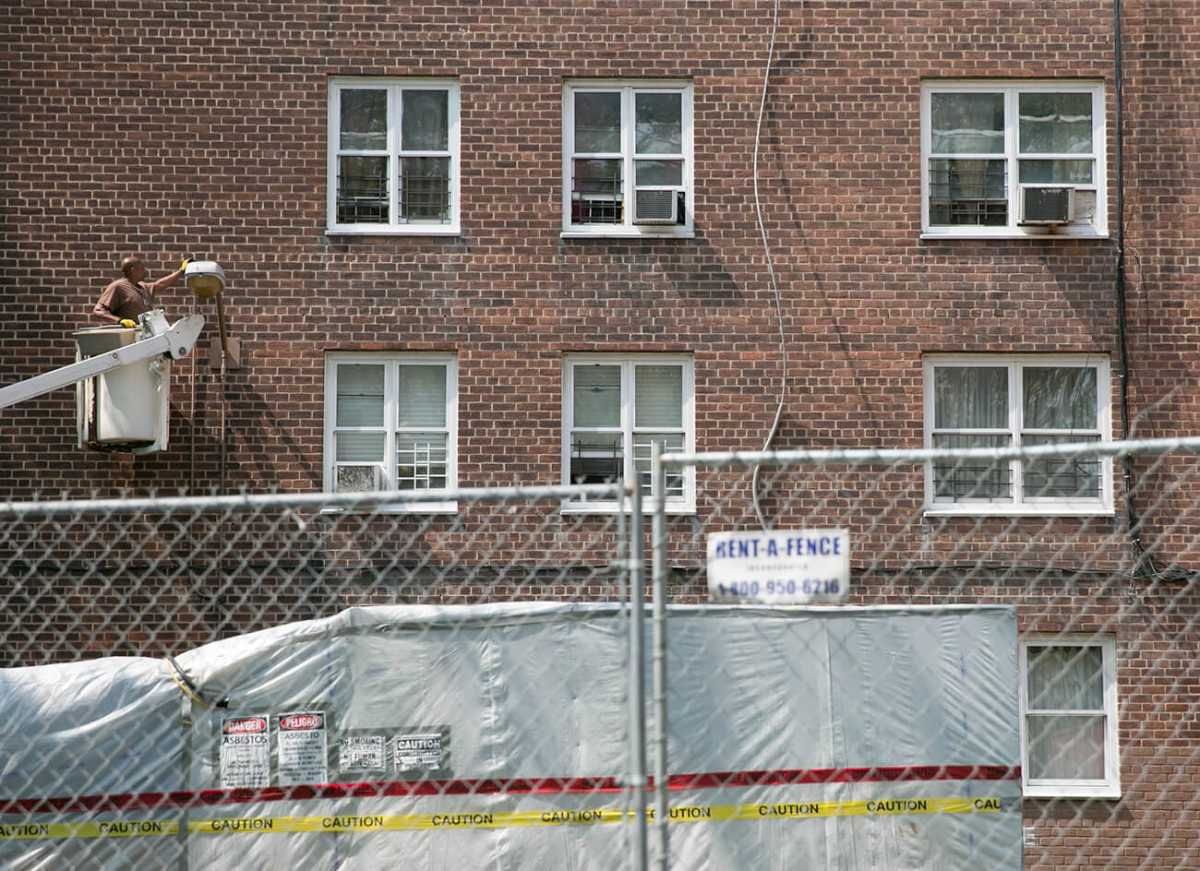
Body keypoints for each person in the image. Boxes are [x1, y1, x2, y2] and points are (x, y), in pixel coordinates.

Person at [93, 255, 190, 327]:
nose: (144, 271)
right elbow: (98, 310)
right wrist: (119, 320)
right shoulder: (118, 287)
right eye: (141, 268)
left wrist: (181, 271)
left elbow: (160, 284)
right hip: (127, 337)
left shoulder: (143, 287)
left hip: (144, 336)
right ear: (132, 269)